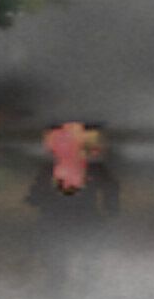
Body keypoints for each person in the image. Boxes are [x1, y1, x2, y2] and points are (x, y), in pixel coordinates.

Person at [25, 121, 120, 286]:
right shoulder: (93, 168)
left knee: (62, 260)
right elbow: (110, 189)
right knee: (77, 259)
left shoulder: (52, 168)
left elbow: (36, 195)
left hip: (61, 218)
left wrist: (37, 200)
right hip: (77, 217)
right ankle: (79, 283)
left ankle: (67, 283)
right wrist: (111, 208)